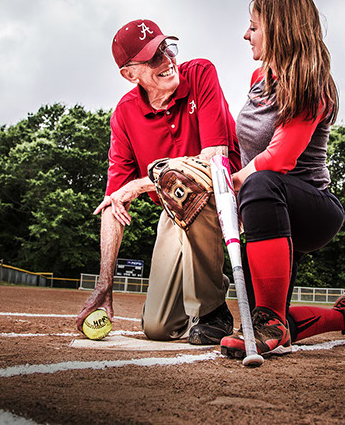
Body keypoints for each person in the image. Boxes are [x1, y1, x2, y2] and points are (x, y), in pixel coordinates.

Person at [220, 0, 345, 359]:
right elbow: (246, 150)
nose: (245, 35)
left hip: (309, 209)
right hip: (265, 211)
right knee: (262, 322)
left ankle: (271, 319)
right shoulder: (257, 79)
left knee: (261, 181)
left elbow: (279, 157)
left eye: (253, 27)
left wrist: (233, 184)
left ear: (279, 30)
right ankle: (344, 318)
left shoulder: (312, 84)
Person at [75, 19, 241, 345]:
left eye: (167, 48)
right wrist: (104, 284)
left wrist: (139, 184)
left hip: (222, 193)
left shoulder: (200, 72)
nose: (167, 60)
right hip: (172, 204)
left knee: (184, 187)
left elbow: (214, 159)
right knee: (157, 329)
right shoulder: (124, 114)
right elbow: (114, 204)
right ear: (130, 74)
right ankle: (175, 304)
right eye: (153, 57)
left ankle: (213, 311)